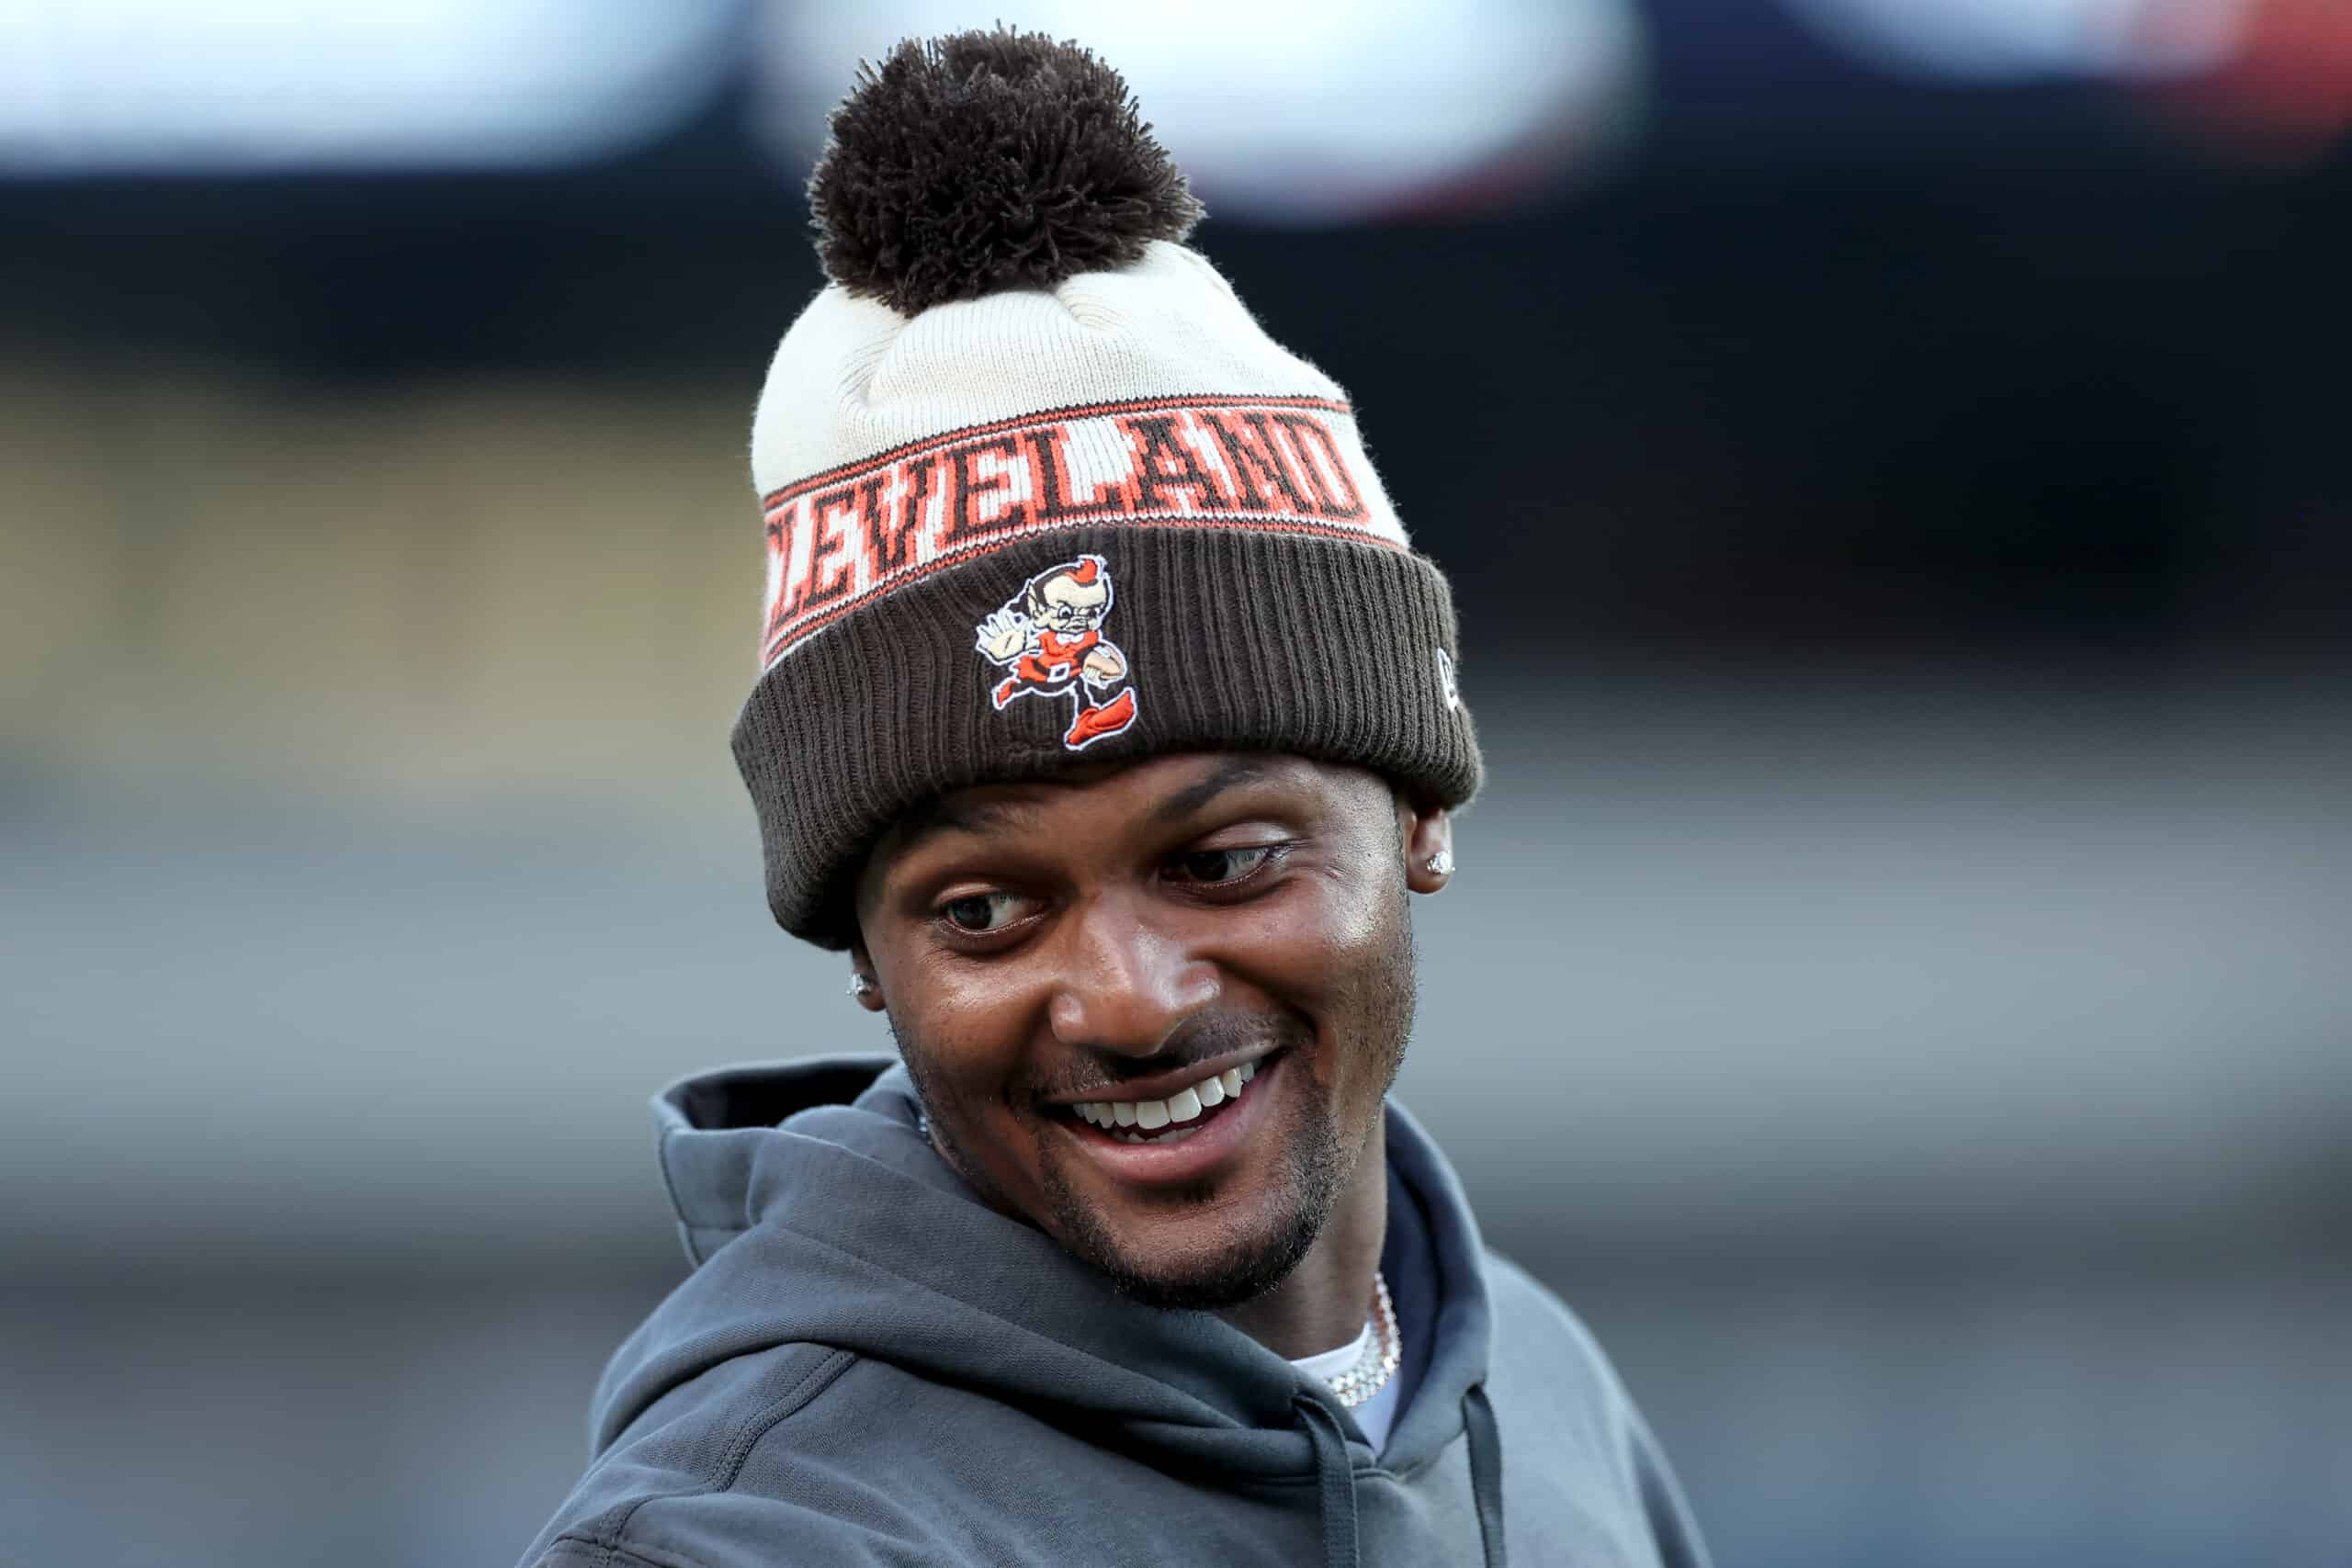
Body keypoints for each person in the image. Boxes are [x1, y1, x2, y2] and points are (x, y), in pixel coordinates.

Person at [522, 28, 1708, 1568]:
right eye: (986, 911)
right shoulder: (751, 1535)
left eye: (1222, 861)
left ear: (1420, 811)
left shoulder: (1542, 1394)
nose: (1130, 1003)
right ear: (868, 965)